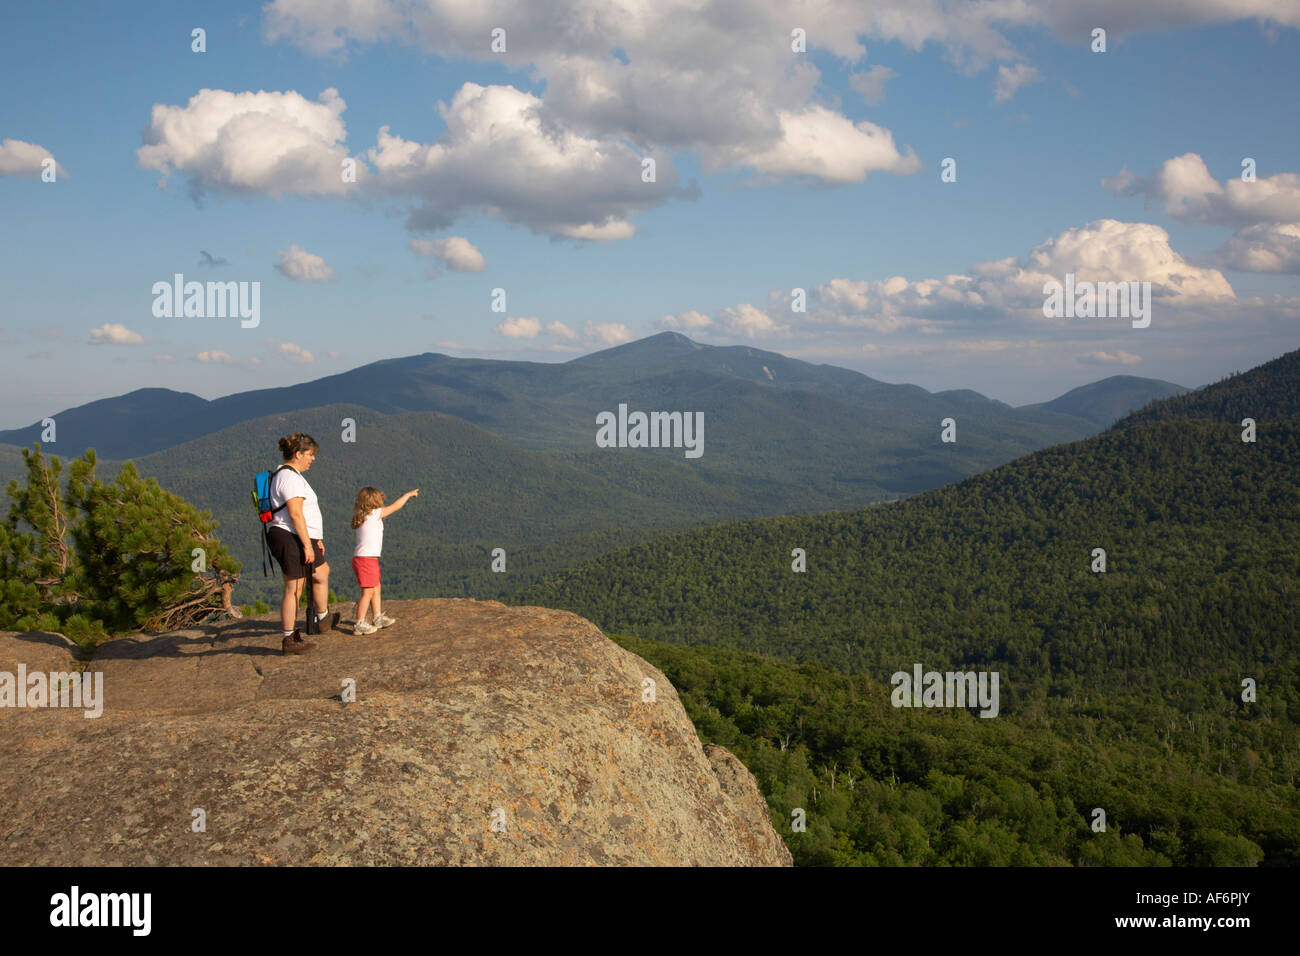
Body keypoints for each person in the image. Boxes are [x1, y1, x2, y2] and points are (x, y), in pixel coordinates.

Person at [266, 432, 340, 654]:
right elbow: (296, 515)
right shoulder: (289, 478)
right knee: (294, 587)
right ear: (298, 454)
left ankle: (323, 618)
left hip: (299, 536)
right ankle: (289, 638)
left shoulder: (290, 475)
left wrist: (315, 539)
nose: (313, 458)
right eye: (310, 454)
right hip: (290, 537)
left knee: (321, 572)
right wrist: (307, 544)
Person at [350, 486, 418, 635]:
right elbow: (396, 506)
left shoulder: (363, 515)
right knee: (368, 593)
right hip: (367, 560)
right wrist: (408, 494)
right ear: (374, 503)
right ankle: (360, 622)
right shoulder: (375, 514)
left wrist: (377, 500)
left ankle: (377, 617)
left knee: (376, 588)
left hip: (363, 559)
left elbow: (379, 509)